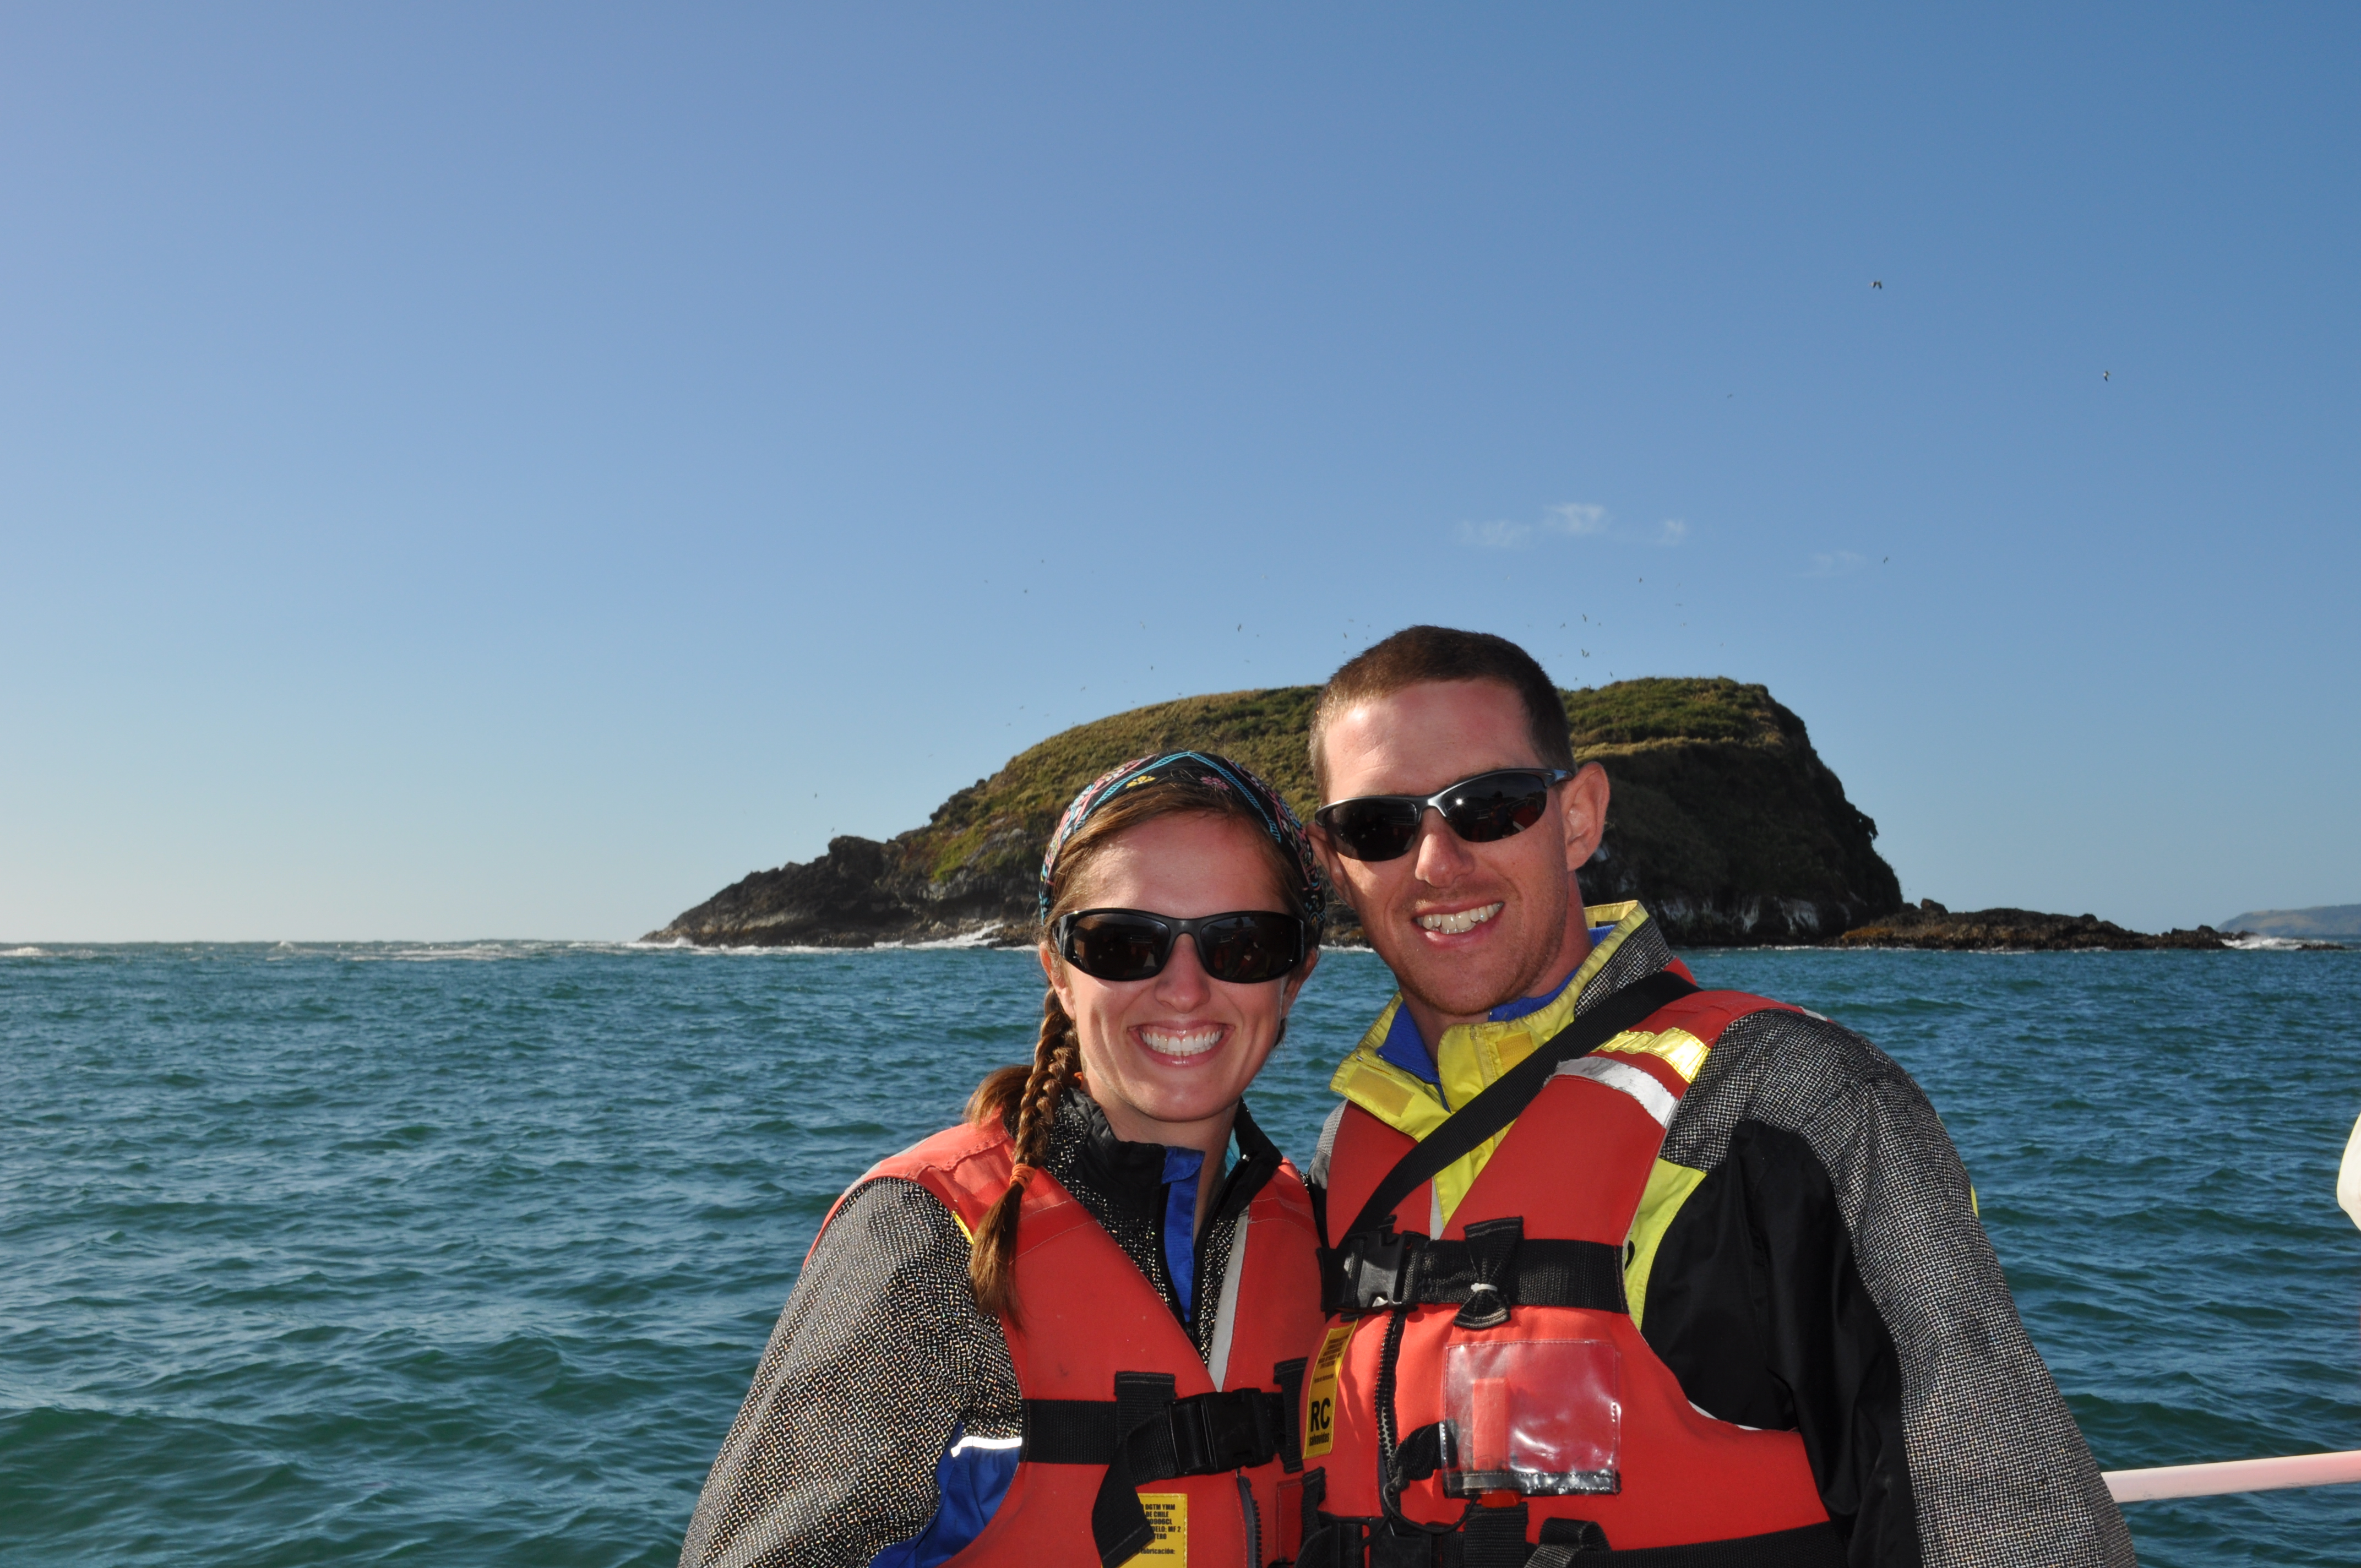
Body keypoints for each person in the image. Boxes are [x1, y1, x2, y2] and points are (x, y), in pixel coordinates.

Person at [1290, 627, 2132, 1568]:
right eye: (1378, 827)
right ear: (1333, 861)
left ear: (1579, 817)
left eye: (1491, 806)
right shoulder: (1345, 1154)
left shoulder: (1790, 1104)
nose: (1438, 863)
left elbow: (2006, 1521)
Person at [679, 752, 1330, 1568]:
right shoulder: (922, 1241)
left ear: (1295, 976)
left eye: (1241, 944)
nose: (1185, 989)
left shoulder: (1323, 1237)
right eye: (1124, 943)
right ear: (1059, 971)